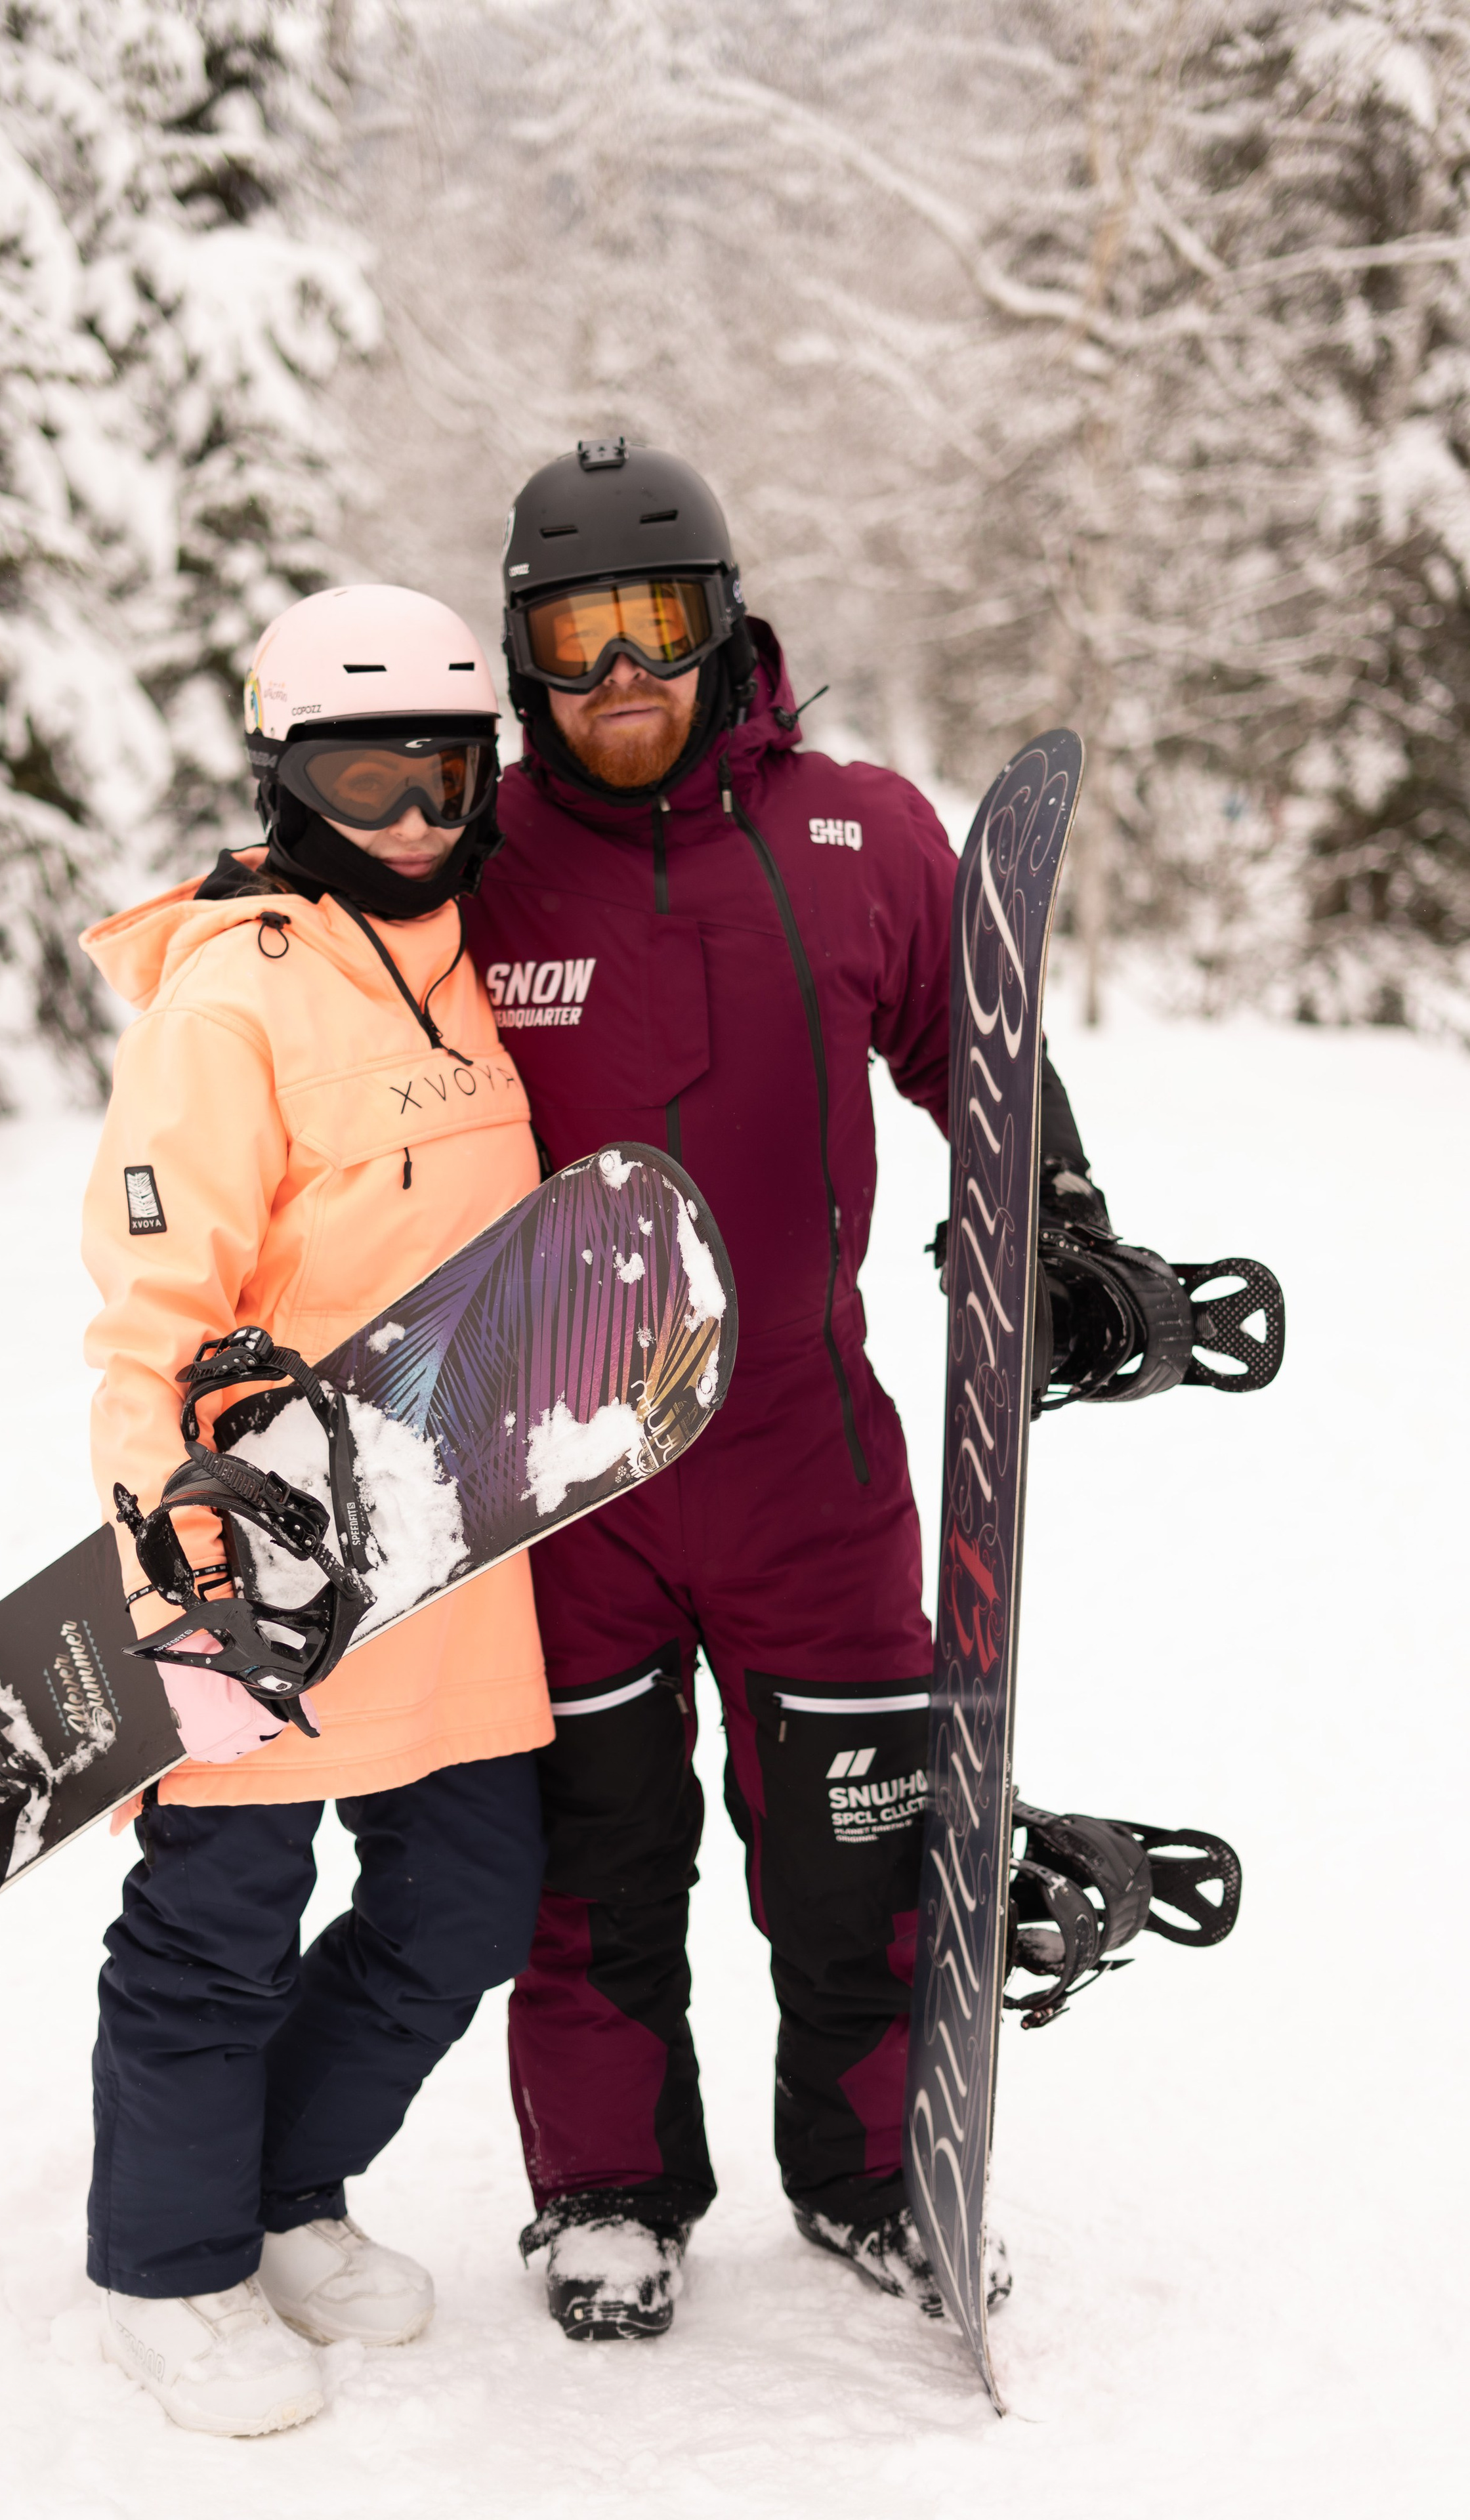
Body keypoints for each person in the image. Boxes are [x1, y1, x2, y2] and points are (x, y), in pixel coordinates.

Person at [464, 442, 1109, 2340]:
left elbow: (974, 1050)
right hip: (558, 1472)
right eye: (574, 639)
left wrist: (1057, 1217)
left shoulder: (861, 834)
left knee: (860, 1854)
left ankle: (869, 2173)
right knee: (593, 1867)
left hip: (805, 1460)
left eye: (656, 625)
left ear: (725, 621)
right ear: (524, 658)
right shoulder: (477, 863)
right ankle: (605, 2189)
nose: (620, 678)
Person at [79, 584, 552, 2434]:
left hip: (454, 1545)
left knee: (470, 1900)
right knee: (223, 1919)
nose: (416, 820)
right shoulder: (230, 1000)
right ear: (285, 781)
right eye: (369, 780)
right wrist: (185, 1587)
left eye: (445, 776)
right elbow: (148, 1326)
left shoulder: (467, 964)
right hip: (262, 1557)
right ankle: (169, 2268)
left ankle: (281, 2194)